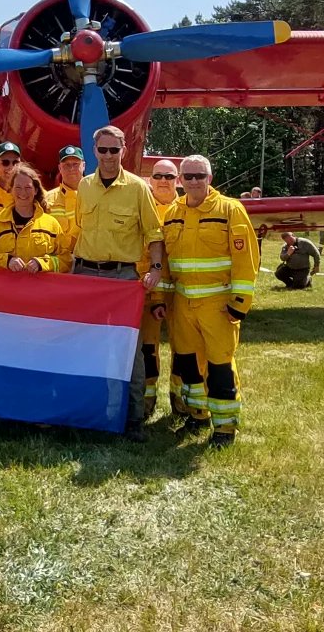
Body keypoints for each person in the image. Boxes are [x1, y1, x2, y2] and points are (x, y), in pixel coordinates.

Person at [159, 154, 259, 448]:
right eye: (187, 176)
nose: (193, 182)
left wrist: (239, 302)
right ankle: (197, 414)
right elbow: (166, 261)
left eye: (199, 176)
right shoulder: (172, 213)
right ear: (180, 180)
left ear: (210, 179)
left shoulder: (230, 210)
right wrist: (161, 299)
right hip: (182, 305)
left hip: (217, 305)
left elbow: (246, 259)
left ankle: (225, 427)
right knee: (189, 365)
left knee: (220, 367)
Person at [73, 125, 164, 443]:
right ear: (94, 152)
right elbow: (79, 230)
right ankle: (89, 413)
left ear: (124, 151)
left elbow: (155, 234)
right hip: (85, 276)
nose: (109, 156)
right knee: (86, 347)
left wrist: (154, 269)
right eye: (103, 150)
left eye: (114, 150)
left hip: (122, 280)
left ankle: (133, 419)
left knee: (129, 352)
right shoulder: (84, 186)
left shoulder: (139, 188)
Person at [140, 159, 179, 418]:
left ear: (177, 180)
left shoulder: (188, 208)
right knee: (148, 348)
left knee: (185, 347)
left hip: (182, 292)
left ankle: (183, 399)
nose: (163, 180)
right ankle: (146, 399)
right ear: (150, 179)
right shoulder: (141, 207)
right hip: (148, 290)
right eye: (158, 176)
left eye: (169, 175)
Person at [0, 163, 71, 273]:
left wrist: (43, 264)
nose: (23, 193)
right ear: (11, 190)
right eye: (18, 187)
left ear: (35, 190)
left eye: (28, 187)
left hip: (40, 289)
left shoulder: (51, 225)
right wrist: (5, 261)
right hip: (6, 289)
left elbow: (66, 261)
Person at [45, 145, 85, 248]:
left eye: (75, 164)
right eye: (66, 165)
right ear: (59, 168)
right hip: (59, 258)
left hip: (87, 259)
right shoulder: (47, 199)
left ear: (83, 166)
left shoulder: (94, 195)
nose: (71, 169)